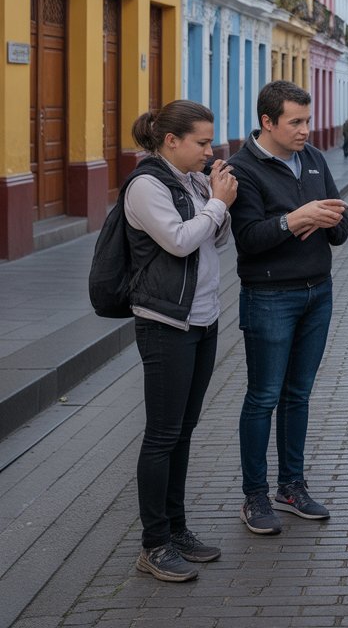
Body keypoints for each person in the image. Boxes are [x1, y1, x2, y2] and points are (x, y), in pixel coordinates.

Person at [228, 81, 348, 535]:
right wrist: (293, 221)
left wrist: (330, 221)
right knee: (263, 396)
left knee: (298, 395)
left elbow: (342, 222)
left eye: (307, 120)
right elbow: (248, 241)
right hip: (269, 298)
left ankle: (291, 486)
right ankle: (254, 495)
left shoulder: (314, 159)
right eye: (295, 122)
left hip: (318, 292)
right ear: (268, 122)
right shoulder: (242, 170)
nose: (305, 130)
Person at [122, 101, 236, 582]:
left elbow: (218, 240)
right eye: (202, 142)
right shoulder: (146, 185)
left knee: (184, 431)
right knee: (162, 435)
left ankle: (177, 528)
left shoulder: (191, 180)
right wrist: (217, 204)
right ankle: (153, 544)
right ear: (172, 140)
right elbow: (180, 240)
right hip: (165, 322)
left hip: (203, 317)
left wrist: (217, 203)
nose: (210, 150)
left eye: (211, 141)